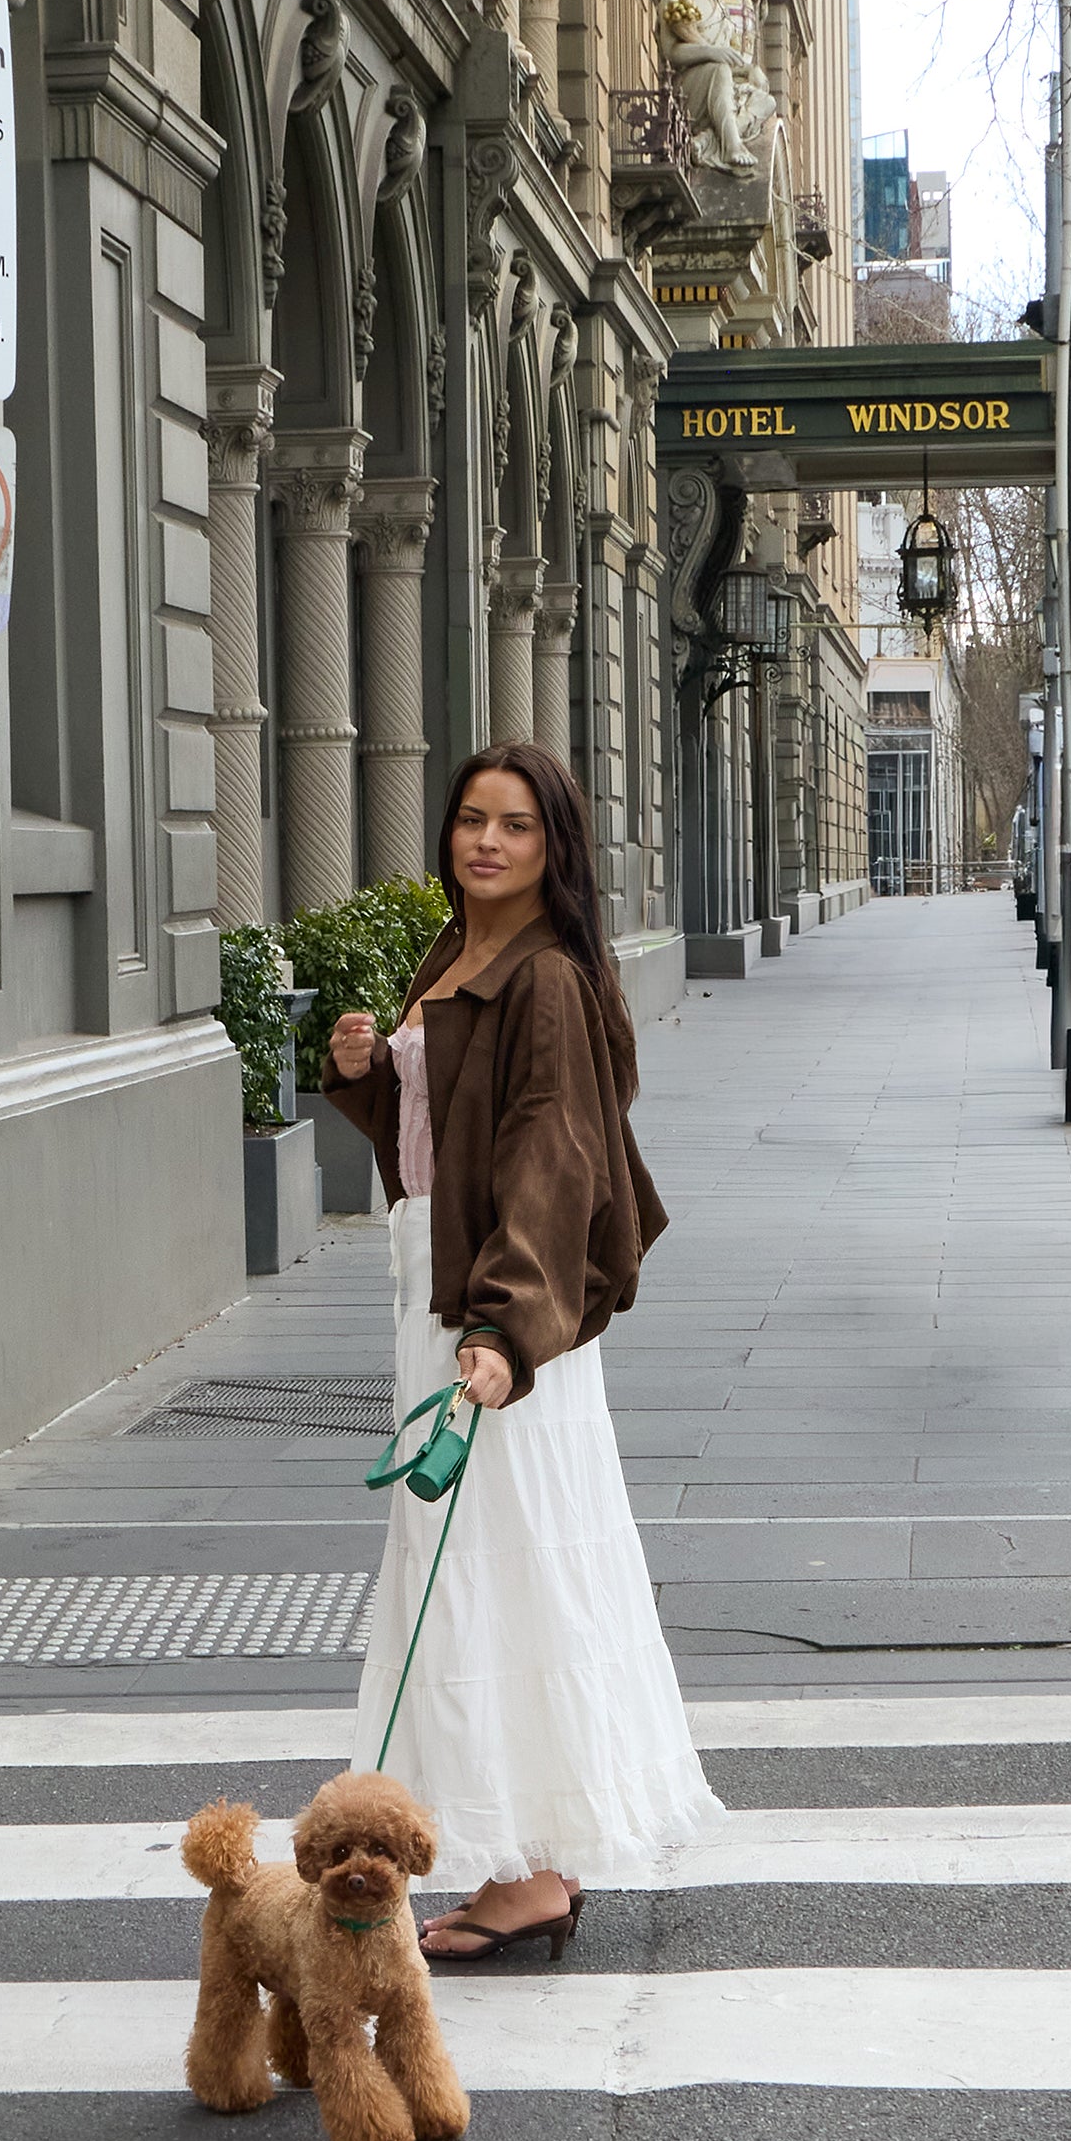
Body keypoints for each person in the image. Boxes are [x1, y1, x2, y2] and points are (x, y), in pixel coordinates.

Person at [321, 740, 721, 1962]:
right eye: (470, 820)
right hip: (445, 1297)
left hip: (495, 1319)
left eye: (514, 826)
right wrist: (362, 1078)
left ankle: (528, 1871)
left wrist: (501, 1331)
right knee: (483, 1571)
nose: (484, 841)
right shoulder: (458, 949)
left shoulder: (544, 975)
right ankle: (522, 1857)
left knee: (497, 1573)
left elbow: (554, 1158)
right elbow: (446, 1140)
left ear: (555, 848)